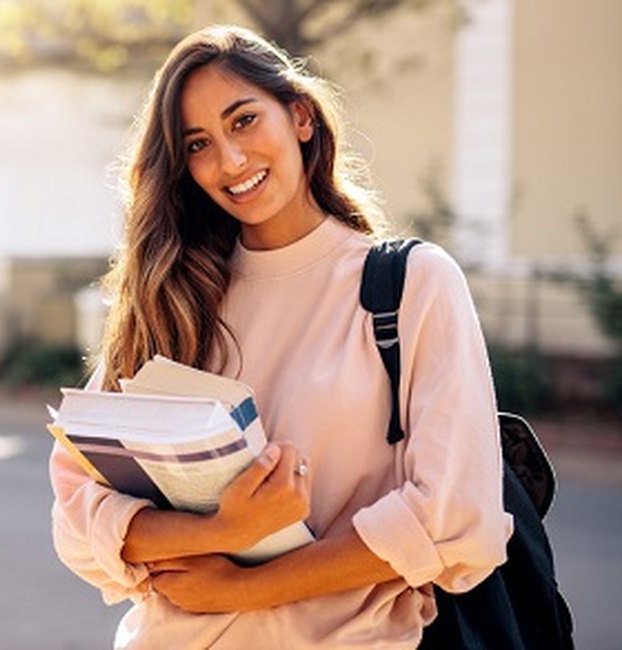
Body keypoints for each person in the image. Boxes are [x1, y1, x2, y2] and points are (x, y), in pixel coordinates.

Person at [49, 24, 513, 649]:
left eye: (243, 121)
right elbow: (78, 516)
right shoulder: (173, 298)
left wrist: (240, 588)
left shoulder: (410, 285)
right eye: (198, 144)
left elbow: (454, 521)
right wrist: (224, 530)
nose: (230, 162)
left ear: (299, 116)